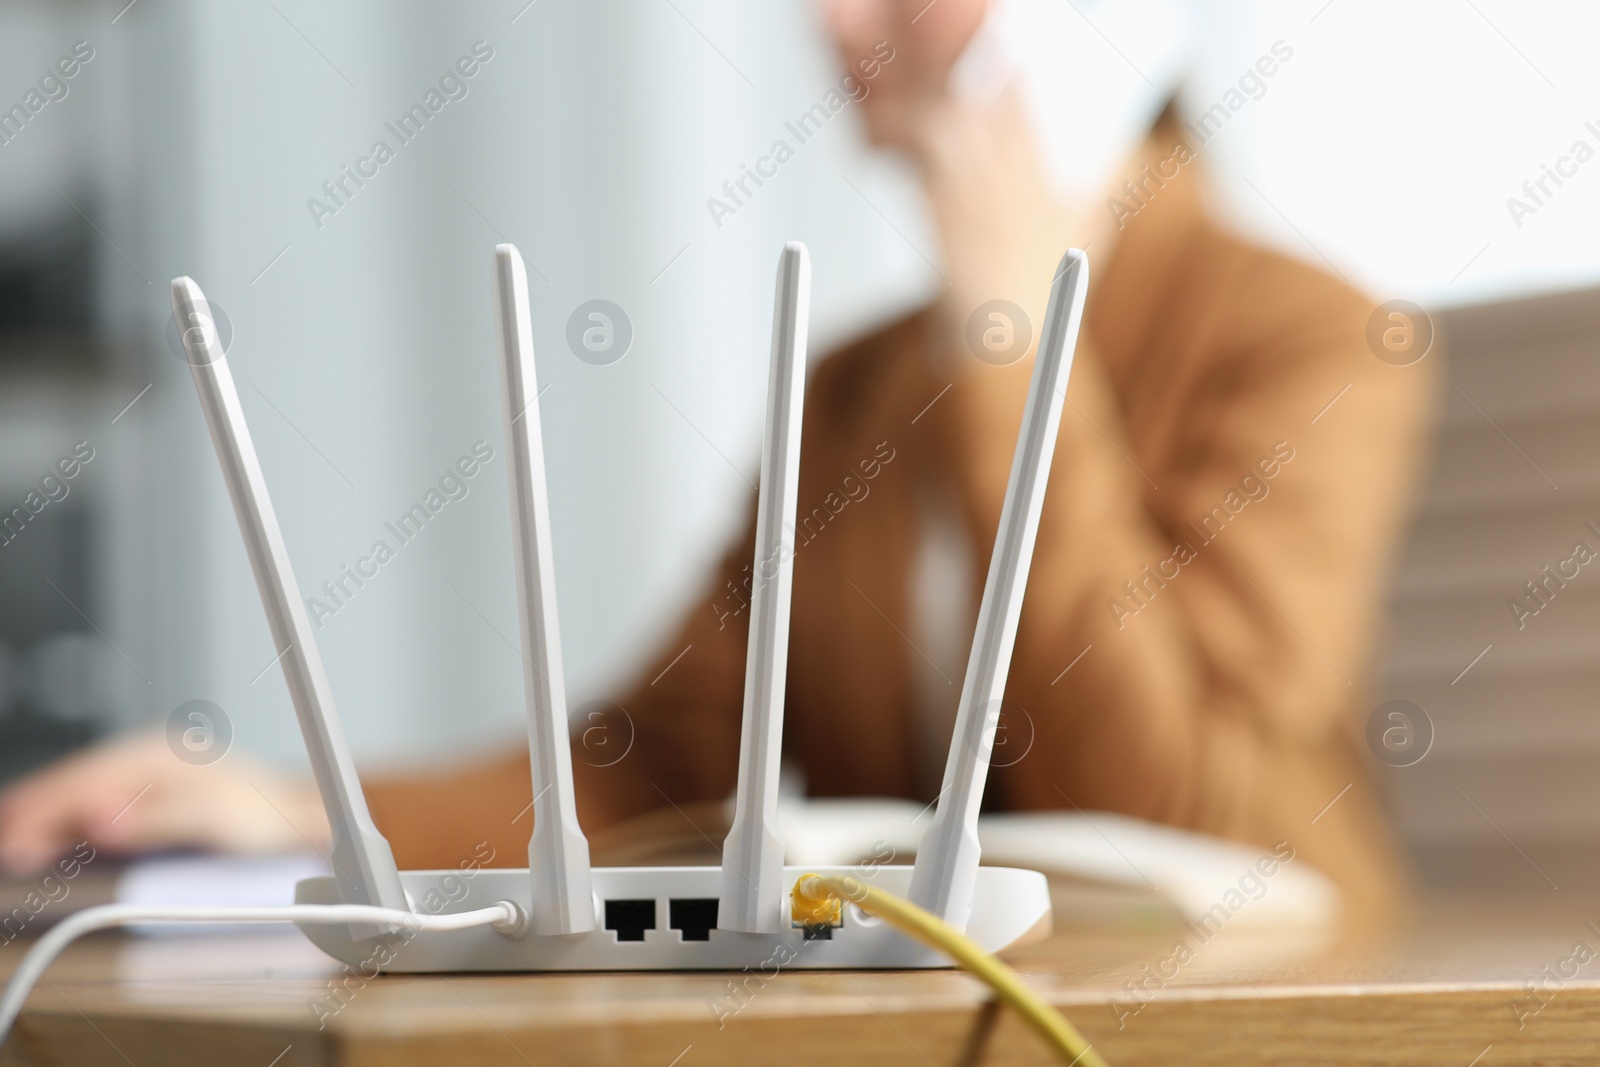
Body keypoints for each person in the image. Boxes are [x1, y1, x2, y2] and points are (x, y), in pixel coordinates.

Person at [0, 0, 1433, 922]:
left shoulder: (1312, 339)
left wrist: (1010, 349)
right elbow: (656, 767)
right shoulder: (861, 383)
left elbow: (1177, 802)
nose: (831, 21)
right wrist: (296, 812)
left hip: (1252, 1012)